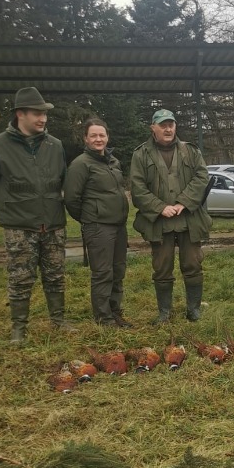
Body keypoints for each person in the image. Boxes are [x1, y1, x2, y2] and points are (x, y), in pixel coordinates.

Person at [0, 86, 70, 343]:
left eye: (44, 114)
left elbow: (61, 177)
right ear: (20, 114)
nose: (43, 118)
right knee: (20, 278)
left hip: (52, 222)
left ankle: (58, 319)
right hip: (19, 227)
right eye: (37, 113)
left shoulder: (55, 145)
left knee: (55, 274)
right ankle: (19, 328)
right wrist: (13, 207)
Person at [129, 108, 212, 323]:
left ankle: (193, 309)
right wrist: (159, 207)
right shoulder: (140, 155)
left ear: (175, 126)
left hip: (189, 219)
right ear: (153, 128)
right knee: (162, 267)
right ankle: (164, 312)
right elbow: (137, 188)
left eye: (171, 124)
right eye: (163, 125)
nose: (168, 129)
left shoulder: (191, 151)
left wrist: (184, 202)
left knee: (193, 264)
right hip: (160, 222)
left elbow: (202, 177)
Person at [63, 117, 132, 327]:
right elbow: (72, 200)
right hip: (98, 227)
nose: (98, 139)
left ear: (107, 137)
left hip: (118, 226)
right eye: (93, 135)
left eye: (102, 135)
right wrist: (90, 218)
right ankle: (104, 318)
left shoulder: (113, 162)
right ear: (86, 138)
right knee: (103, 273)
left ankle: (115, 311)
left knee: (118, 270)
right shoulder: (80, 164)